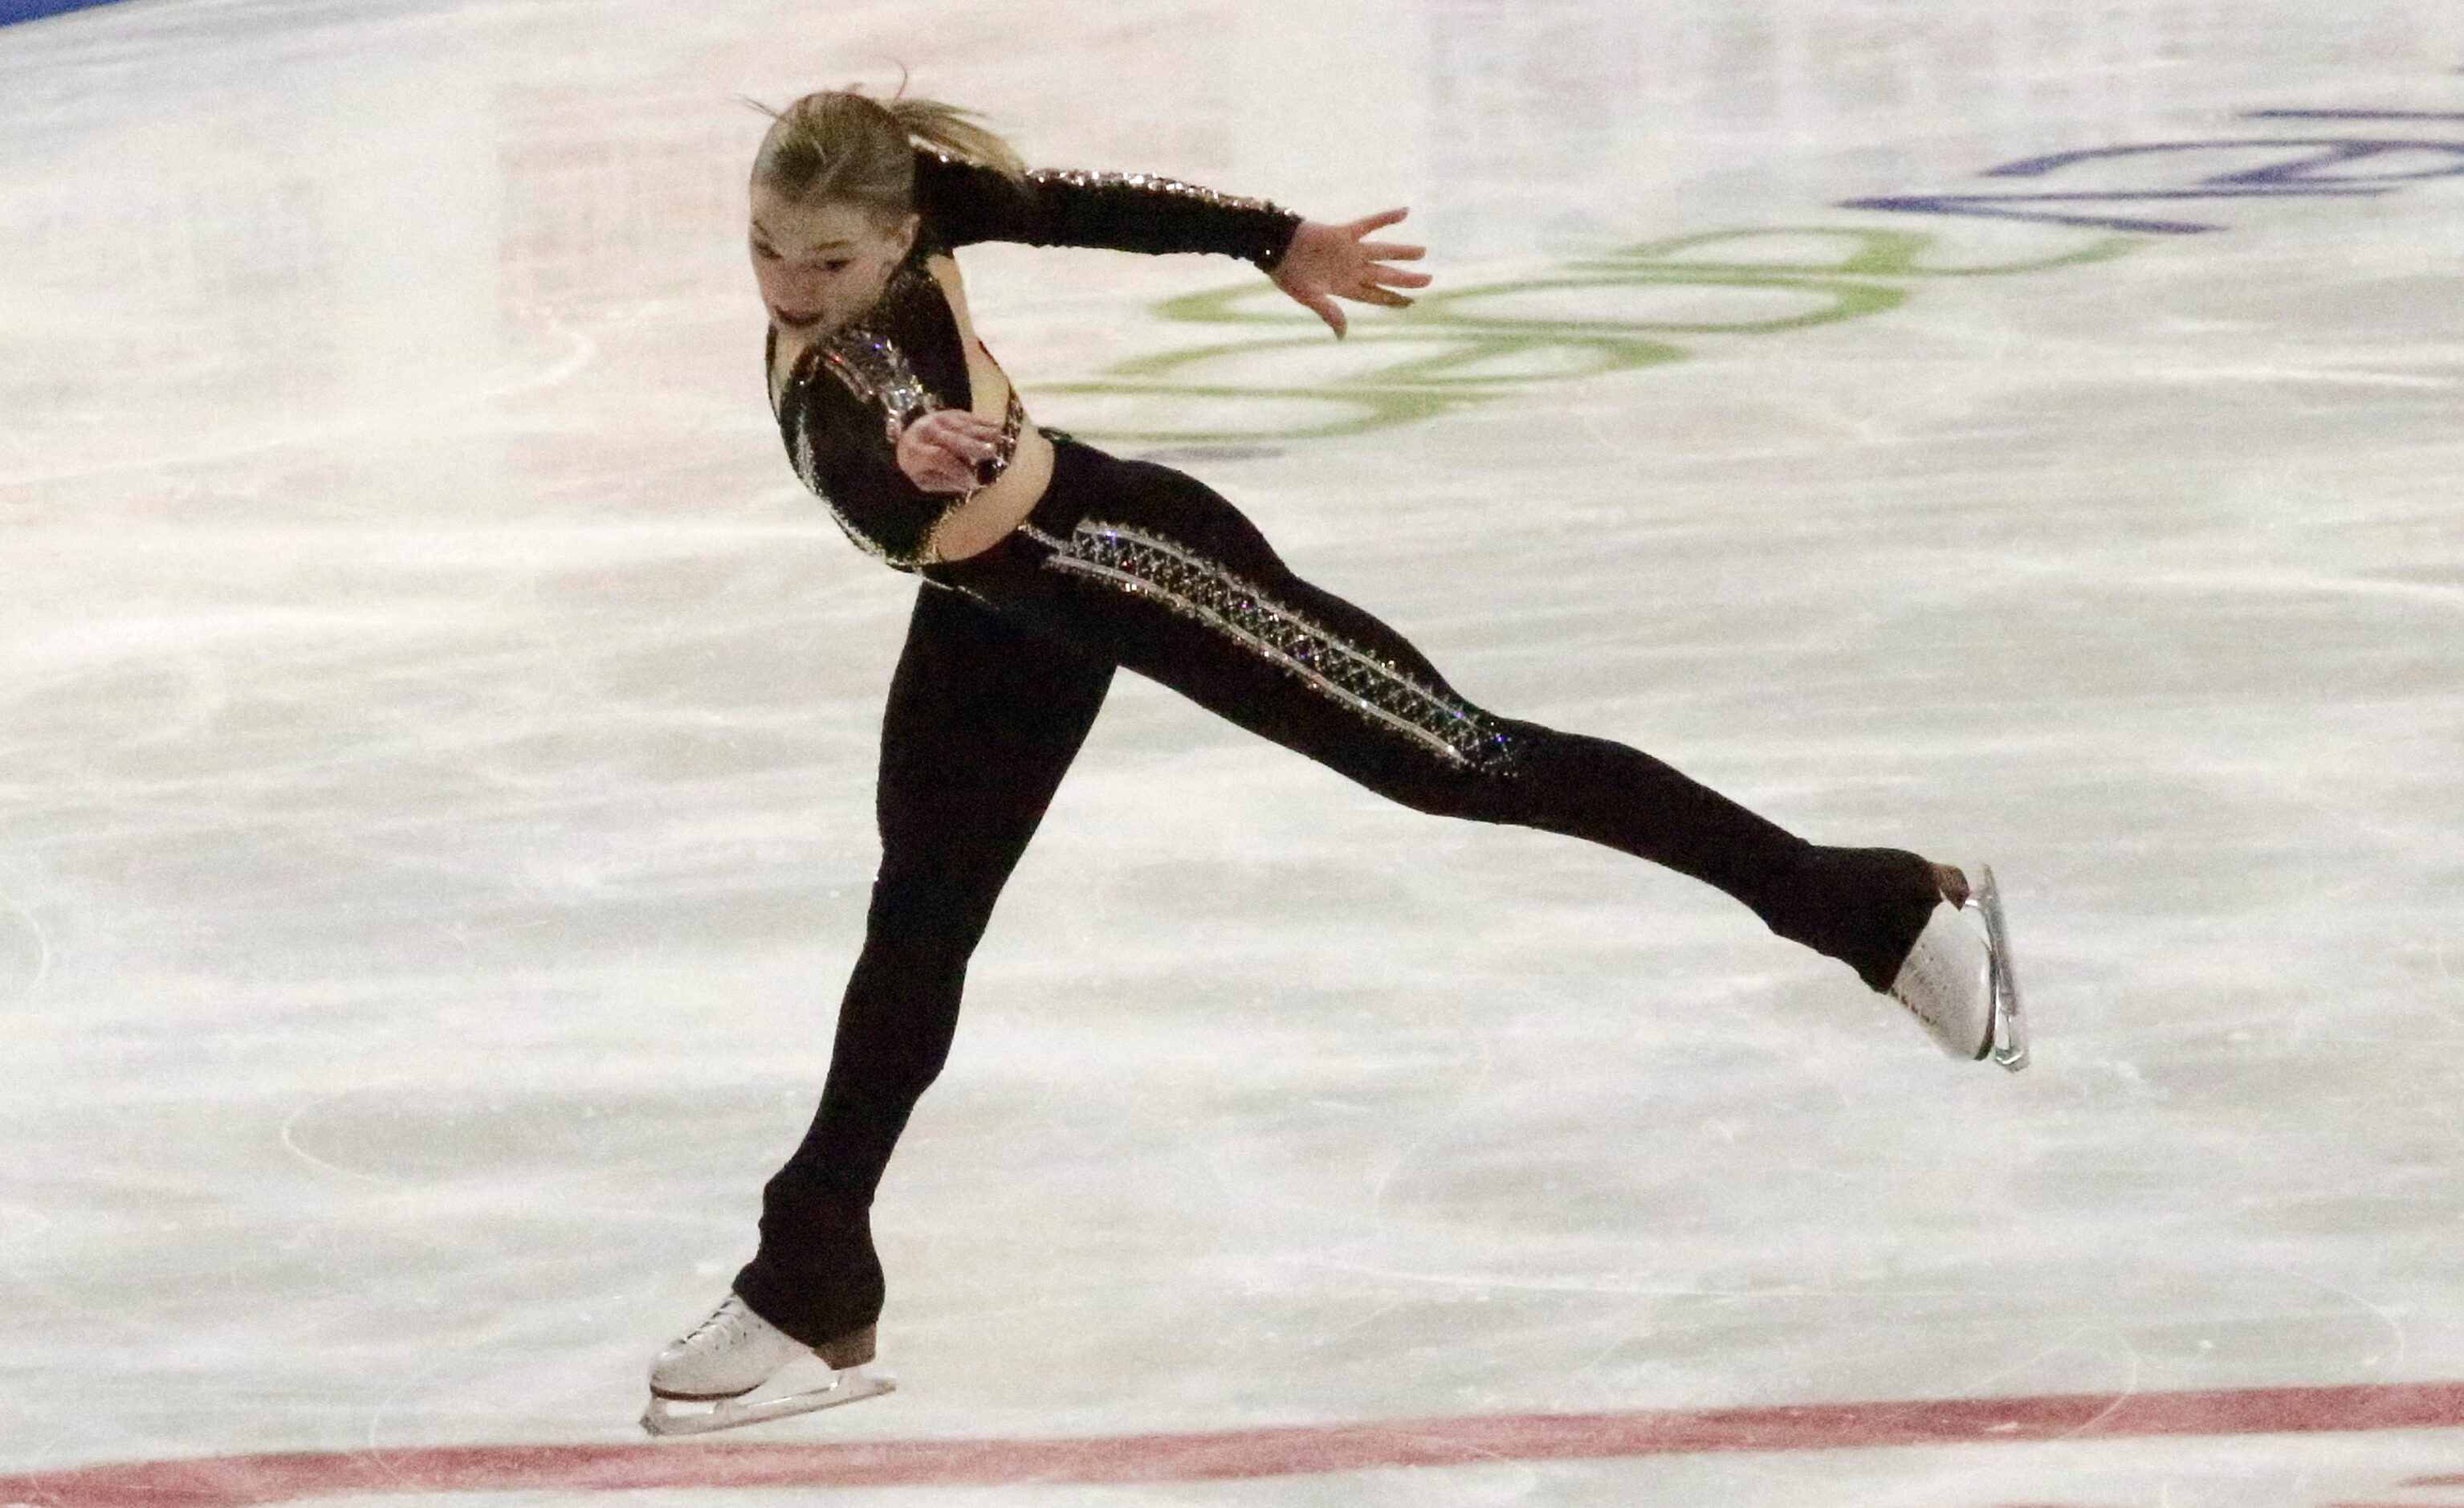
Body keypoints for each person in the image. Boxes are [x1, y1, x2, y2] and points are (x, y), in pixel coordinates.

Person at [639, 87, 2026, 1437]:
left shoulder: (869, 344)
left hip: (1124, 560)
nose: (793, 286)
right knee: (920, 910)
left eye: (830, 260)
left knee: (1459, 757)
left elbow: (920, 360)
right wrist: (1254, 241)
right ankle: (809, 1270)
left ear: (894, 238)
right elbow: (1066, 225)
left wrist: (1263, 238)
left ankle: (1879, 909)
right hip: (997, 605)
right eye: (768, 249)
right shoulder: (866, 266)